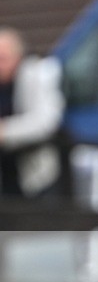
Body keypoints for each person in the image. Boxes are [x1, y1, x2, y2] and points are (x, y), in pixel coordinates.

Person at [0, 27, 65, 197]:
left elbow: (46, 122)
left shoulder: (38, 73)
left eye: (3, 58)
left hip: (35, 176)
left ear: (18, 56)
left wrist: (5, 131)